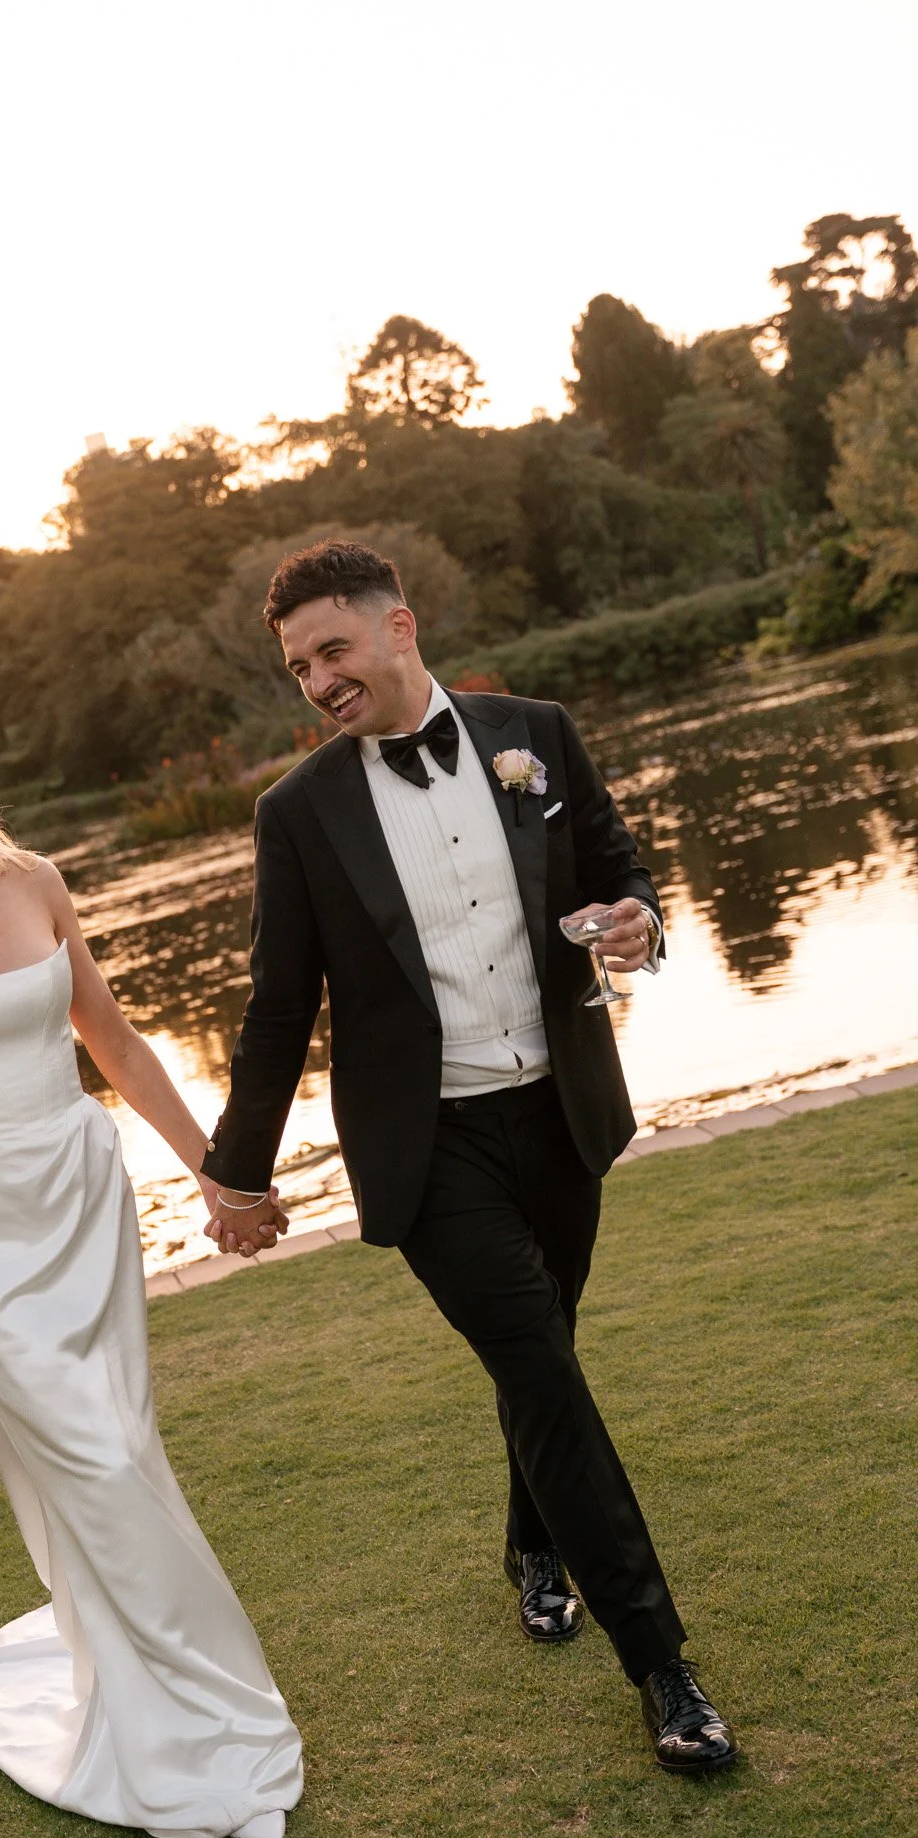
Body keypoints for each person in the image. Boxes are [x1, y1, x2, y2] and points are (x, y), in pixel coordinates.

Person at [203, 540, 739, 1775]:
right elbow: (279, 1006)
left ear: (400, 627)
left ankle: (533, 1544)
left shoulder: (534, 734)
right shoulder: (298, 813)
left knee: (542, 1351)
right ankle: (662, 1667)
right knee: (541, 1367)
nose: (318, 682)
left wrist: (639, 921)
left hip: (560, 1110)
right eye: (298, 668)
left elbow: (618, 865)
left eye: (333, 650)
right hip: (427, 1143)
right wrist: (239, 1171)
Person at [0, 696, 301, 1838]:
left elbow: (113, 1041)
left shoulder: (35, 880)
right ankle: (192, 1705)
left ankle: (155, 1676)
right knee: (89, 1453)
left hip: (80, 1188)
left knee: (122, 1437)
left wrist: (219, 1176)